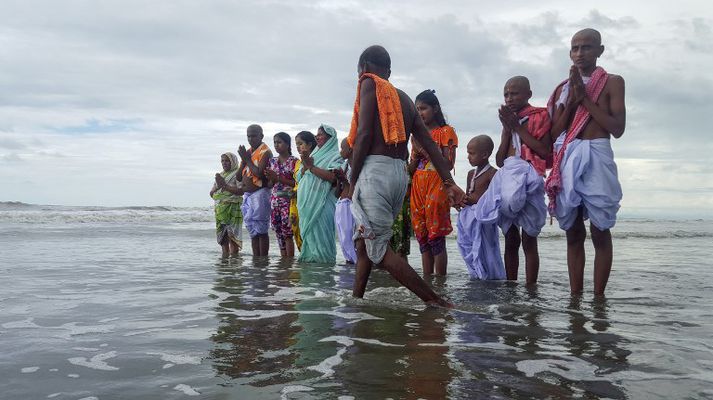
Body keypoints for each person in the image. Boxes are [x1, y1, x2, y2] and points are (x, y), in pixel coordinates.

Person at [347, 45, 466, 307]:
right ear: (388, 71)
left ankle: (434, 300)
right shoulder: (404, 99)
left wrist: (352, 178)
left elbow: (364, 134)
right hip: (398, 174)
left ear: (363, 68)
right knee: (364, 242)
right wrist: (449, 182)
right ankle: (356, 300)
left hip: (374, 173)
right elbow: (429, 144)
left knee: (378, 250)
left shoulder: (369, 84)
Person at [546, 28, 626, 296]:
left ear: (600, 51)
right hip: (570, 155)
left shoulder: (613, 82)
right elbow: (554, 133)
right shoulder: (563, 88)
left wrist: (585, 100)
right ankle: (575, 296)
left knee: (601, 230)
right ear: (570, 53)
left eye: (587, 47)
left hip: (597, 154)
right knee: (573, 231)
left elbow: (617, 127)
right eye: (575, 48)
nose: (580, 53)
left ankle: (599, 297)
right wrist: (571, 102)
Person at [494, 76, 552, 284]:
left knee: (529, 239)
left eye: (514, 93)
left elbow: (545, 152)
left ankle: (530, 288)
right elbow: (500, 160)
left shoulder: (540, 116)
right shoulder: (509, 121)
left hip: (530, 177)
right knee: (510, 239)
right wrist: (507, 131)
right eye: (506, 94)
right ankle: (511, 286)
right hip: (508, 177)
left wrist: (517, 128)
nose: (509, 98)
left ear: (528, 94)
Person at [409, 90, 458, 276]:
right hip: (418, 185)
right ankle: (427, 280)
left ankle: (439, 281)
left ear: (435, 108)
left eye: (423, 108)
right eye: (417, 109)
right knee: (422, 237)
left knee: (436, 236)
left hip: (437, 184)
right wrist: (415, 152)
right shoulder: (416, 135)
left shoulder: (446, 132)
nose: (420, 113)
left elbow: (447, 164)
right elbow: (412, 167)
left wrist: (425, 151)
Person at [456, 136, 504, 280]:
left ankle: (490, 276)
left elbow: (491, 199)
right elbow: (468, 195)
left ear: (484, 154)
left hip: (483, 219)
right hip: (468, 219)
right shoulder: (471, 174)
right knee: (468, 247)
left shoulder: (492, 174)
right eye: (468, 153)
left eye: (472, 153)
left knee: (486, 249)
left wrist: (470, 200)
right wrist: (461, 200)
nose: (468, 157)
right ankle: (476, 274)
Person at [296, 124, 343, 263]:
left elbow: (333, 178)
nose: (317, 136)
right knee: (309, 243)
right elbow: (300, 177)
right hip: (307, 206)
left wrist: (311, 167)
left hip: (322, 205)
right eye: (317, 134)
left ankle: (325, 275)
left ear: (331, 138)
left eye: (321, 134)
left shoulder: (336, 156)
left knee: (322, 243)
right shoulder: (313, 155)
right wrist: (306, 166)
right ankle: (312, 280)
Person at [237, 124, 273, 257]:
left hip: (260, 194)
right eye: (248, 136)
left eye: (253, 136)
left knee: (261, 231)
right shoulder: (249, 152)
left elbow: (259, 174)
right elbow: (238, 177)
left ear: (261, 136)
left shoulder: (265, 152)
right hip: (248, 195)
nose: (250, 139)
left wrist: (247, 159)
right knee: (252, 231)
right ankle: (256, 260)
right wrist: (243, 160)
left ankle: (263, 260)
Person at [265, 132, 298, 257]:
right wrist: (270, 178)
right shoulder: (272, 161)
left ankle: (289, 262)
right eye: (274, 142)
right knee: (278, 231)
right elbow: (269, 184)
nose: (276, 145)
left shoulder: (294, 162)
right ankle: (283, 262)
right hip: (275, 201)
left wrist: (278, 178)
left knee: (288, 233)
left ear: (287, 144)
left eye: (279, 142)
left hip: (288, 202)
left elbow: (297, 182)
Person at [210, 152, 244, 258]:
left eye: (227, 160)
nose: (224, 163)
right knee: (223, 239)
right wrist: (217, 186)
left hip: (233, 209)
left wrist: (224, 186)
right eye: (222, 161)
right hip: (220, 211)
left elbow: (241, 191)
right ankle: (225, 263)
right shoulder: (221, 175)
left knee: (232, 237)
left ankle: (234, 263)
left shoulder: (237, 174)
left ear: (233, 161)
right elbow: (212, 193)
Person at [290, 131, 316, 253]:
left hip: (310, 202)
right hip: (296, 202)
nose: (298, 147)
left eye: (300, 143)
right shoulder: (298, 163)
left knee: (310, 233)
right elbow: (298, 182)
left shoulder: (316, 159)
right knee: (297, 232)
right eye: (296, 144)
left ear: (310, 144)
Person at [334, 138, 357, 264]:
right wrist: (339, 179)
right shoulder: (345, 165)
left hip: (350, 205)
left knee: (350, 237)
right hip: (341, 204)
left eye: (342, 148)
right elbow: (336, 193)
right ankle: (350, 262)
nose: (341, 152)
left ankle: (356, 264)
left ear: (350, 149)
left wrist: (344, 179)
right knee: (343, 239)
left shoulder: (358, 167)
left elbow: (353, 190)